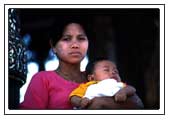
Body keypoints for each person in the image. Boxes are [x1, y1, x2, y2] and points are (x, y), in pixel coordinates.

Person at [20, 20, 143, 109]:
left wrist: (99, 103)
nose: (75, 45)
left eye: (81, 38)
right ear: (53, 46)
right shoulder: (43, 79)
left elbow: (138, 104)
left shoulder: (100, 77)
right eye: (66, 39)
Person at [69, 58, 136, 109]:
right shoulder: (87, 86)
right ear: (91, 78)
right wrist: (80, 101)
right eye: (106, 70)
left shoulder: (118, 84)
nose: (113, 72)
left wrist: (123, 92)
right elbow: (73, 97)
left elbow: (131, 88)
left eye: (116, 71)